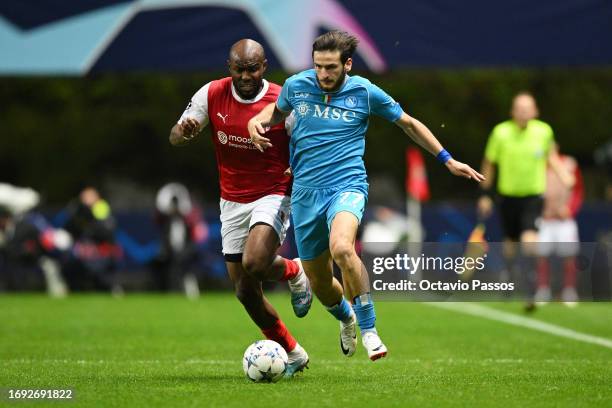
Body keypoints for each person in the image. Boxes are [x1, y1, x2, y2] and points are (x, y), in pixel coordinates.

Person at [248, 31, 484, 361]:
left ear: (347, 64)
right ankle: (346, 317)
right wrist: (256, 122)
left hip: (347, 186)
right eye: (318, 67)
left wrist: (447, 159)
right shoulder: (296, 85)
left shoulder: (365, 92)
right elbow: (274, 112)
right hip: (304, 193)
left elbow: (408, 124)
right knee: (321, 284)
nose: (323, 74)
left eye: (330, 67)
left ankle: (370, 329)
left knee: (343, 248)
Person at [169, 39, 311, 377]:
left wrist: (299, 166)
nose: (246, 75)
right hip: (231, 199)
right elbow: (175, 136)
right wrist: (184, 132)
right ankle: (293, 352)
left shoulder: (281, 99)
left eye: (253, 68)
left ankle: (293, 271)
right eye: (239, 69)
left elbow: (306, 143)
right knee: (245, 291)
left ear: (264, 67)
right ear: (229, 67)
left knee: (255, 262)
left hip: (274, 192)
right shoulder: (212, 94)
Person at [477, 92, 574, 310]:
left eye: (527, 108)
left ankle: (531, 287)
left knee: (530, 238)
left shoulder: (544, 131)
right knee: (510, 243)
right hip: (507, 195)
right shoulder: (500, 133)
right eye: (519, 109)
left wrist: (563, 174)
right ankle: (510, 274)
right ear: (512, 112)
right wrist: (484, 194)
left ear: (535, 111)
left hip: (533, 196)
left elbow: (551, 157)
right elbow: (489, 163)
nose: (523, 113)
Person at [536, 144, 583, 306]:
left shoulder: (569, 164)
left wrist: (570, 209)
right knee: (541, 255)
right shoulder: (537, 166)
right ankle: (543, 290)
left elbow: (578, 190)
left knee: (569, 255)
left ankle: (569, 291)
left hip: (564, 220)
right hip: (545, 219)